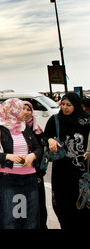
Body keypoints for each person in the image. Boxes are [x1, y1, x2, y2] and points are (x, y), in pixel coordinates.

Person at [0, 98, 42, 229]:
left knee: (30, 217)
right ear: (12, 110)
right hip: (9, 179)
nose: (24, 112)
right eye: (21, 109)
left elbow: (38, 148)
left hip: (30, 177)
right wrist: (7, 156)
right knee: (10, 217)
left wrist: (32, 156)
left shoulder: (24, 126)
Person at [41, 92, 90, 229]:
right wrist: (50, 140)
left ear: (76, 105)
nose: (65, 108)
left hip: (82, 172)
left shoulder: (87, 121)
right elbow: (44, 137)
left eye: (69, 105)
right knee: (63, 204)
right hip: (62, 171)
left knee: (83, 203)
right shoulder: (55, 120)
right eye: (63, 104)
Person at [22, 101, 48, 229]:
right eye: (23, 109)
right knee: (21, 203)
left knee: (38, 203)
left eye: (29, 109)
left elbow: (41, 152)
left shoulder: (37, 131)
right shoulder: (14, 130)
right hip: (19, 174)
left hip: (35, 173)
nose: (26, 112)